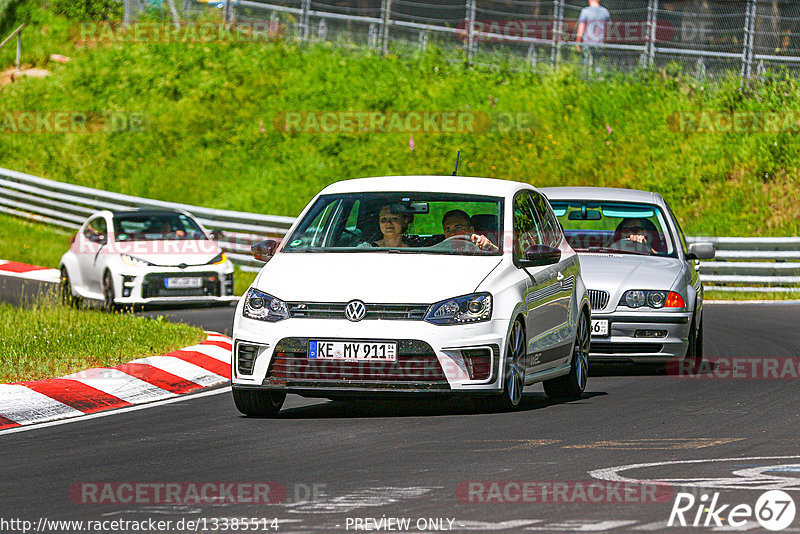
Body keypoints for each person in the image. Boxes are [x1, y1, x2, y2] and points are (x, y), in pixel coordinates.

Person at [575, 0, 611, 76]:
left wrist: (578, 42)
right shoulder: (605, 12)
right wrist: (606, 42)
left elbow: (581, 28)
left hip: (587, 42)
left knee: (586, 64)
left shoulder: (585, 11)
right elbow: (607, 30)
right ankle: (597, 80)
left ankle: (586, 79)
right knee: (597, 64)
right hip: (599, 43)